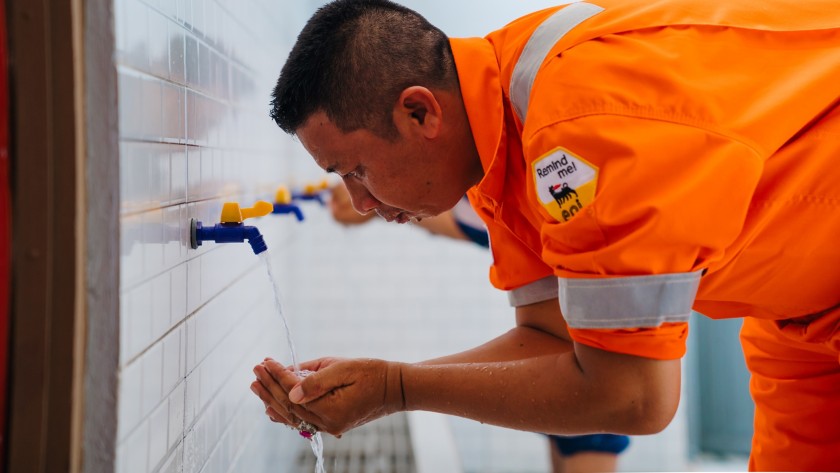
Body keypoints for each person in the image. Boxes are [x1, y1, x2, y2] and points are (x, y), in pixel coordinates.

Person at [250, 0, 840, 470]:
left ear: (420, 113)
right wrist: (385, 381)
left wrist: (397, 387)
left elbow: (635, 395)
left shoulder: (577, 126)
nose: (359, 203)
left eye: (356, 170)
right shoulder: (496, 138)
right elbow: (550, 339)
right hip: (802, 316)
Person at [330, 181, 631, 473]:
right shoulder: (488, 197)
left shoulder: (516, 180)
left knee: (588, 432)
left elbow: (643, 399)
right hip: (570, 356)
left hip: (596, 356)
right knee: (568, 434)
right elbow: (463, 224)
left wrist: (393, 388)